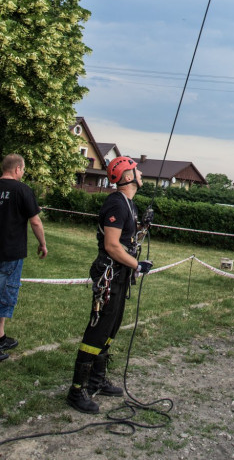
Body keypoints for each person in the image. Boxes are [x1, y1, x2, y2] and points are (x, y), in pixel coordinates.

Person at [67, 156, 153, 414]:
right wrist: (136, 265)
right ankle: (76, 389)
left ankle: (97, 378)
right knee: (98, 328)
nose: (140, 173)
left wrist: (143, 227)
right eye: (135, 170)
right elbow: (112, 245)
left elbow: (128, 240)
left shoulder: (130, 205)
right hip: (109, 274)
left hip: (120, 275)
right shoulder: (116, 203)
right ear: (127, 177)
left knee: (111, 328)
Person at [0, 154, 48, 362]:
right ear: (18, 169)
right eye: (23, 169)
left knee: (4, 296)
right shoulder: (23, 190)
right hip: (10, 252)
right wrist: (43, 244)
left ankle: (1, 337)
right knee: (5, 294)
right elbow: (35, 222)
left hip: (8, 252)